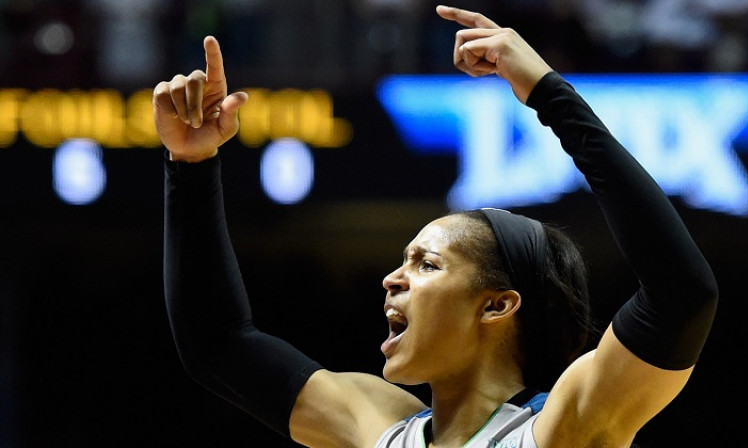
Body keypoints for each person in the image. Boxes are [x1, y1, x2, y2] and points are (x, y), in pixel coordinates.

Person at [154, 5, 718, 448]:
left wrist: (551, 95)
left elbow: (681, 295)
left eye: (426, 263)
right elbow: (218, 344)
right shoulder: (378, 427)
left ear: (497, 305)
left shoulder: (560, 428)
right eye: (404, 261)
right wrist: (192, 166)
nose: (391, 280)